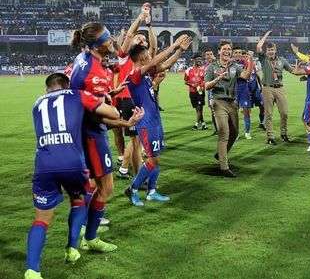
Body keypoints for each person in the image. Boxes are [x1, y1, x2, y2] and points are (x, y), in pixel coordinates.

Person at [25, 73, 138, 279]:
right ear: (67, 85)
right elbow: (111, 112)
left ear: (47, 88)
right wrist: (107, 99)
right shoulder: (78, 95)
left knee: (41, 219)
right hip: (72, 163)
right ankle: (71, 248)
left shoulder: (37, 103)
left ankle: (32, 271)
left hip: (44, 164)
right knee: (77, 201)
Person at [69, 22, 133, 252]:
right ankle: (89, 238)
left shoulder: (85, 59)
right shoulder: (93, 70)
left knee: (94, 183)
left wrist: (107, 95)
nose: (112, 41)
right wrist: (122, 120)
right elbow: (96, 115)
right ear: (97, 45)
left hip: (84, 131)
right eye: (108, 38)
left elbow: (83, 97)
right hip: (91, 134)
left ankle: (87, 227)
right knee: (106, 187)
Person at [125, 35, 192, 206]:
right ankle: (132, 189)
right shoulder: (134, 74)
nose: (150, 57)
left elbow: (166, 64)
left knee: (156, 157)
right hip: (146, 122)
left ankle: (151, 192)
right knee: (153, 159)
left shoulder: (146, 75)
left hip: (155, 120)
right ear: (141, 58)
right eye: (147, 56)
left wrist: (180, 51)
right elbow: (156, 61)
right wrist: (174, 44)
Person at [116, 6, 155, 180]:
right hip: (128, 99)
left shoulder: (146, 57)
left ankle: (126, 170)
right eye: (138, 38)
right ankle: (133, 174)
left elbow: (153, 47)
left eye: (143, 38)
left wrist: (149, 25)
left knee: (138, 139)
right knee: (136, 140)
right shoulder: (125, 56)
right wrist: (140, 16)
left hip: (142, 100)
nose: (141, 39)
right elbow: (130, 35)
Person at [204, 40, 254, 177]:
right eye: (224, 49)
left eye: (229, 49)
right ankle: (224, 167)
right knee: (224, 133)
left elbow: (246, 76)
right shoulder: (211, 67)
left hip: (232, 103)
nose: (227, 51)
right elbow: (206, 85)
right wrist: (216, 79)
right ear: (219, 51)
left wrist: (250, 61)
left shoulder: (234, 66)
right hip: (218, 102)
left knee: (234, 133)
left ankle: (220, 154)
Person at [257, 30, 295, 145]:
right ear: (267, 51)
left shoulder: (282, 60)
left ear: (275, 50)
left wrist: (305, 72)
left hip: (279, 88)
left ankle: (283, 134)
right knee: (269, 114)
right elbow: (258, 46)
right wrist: (266, 35)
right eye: (268, 50)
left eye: (272, 49)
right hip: (267, 89)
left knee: (284, 113)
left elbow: (292, 70)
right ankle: (270, 137)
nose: (270, 51)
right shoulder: (263, 59)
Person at [233, 46, 254, 139]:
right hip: (233, 89)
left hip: (243, 88)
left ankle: (247, 132)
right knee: (234, 111)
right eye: (236, 52)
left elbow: (248, 76)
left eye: (240, 53)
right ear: (233, 54)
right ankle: (236, 133)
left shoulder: (245, 62)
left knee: (246, 110)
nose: (238, 54)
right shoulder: (230, 63)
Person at [184, 52, 208, 130]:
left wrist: (202, 86)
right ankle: (204, 123)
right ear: (194, 60)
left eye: (200, 59)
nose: (199, 60)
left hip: (200, 92)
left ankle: (196, 124)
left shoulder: (203, 70)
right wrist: (191, 84)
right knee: (197, 109)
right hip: (192, 92)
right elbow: (185, 81)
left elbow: (205, 80)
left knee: (199, 107)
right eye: (197, 59)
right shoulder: (188, 70)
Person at [203, 48, 218, 135]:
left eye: (211, 54)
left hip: (221, 90)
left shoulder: (219, 63)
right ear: (205, 57)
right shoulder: (205, 67)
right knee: (213, 111)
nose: (209, 56)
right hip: (211, 92)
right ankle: (216, 129)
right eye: (207, 54)